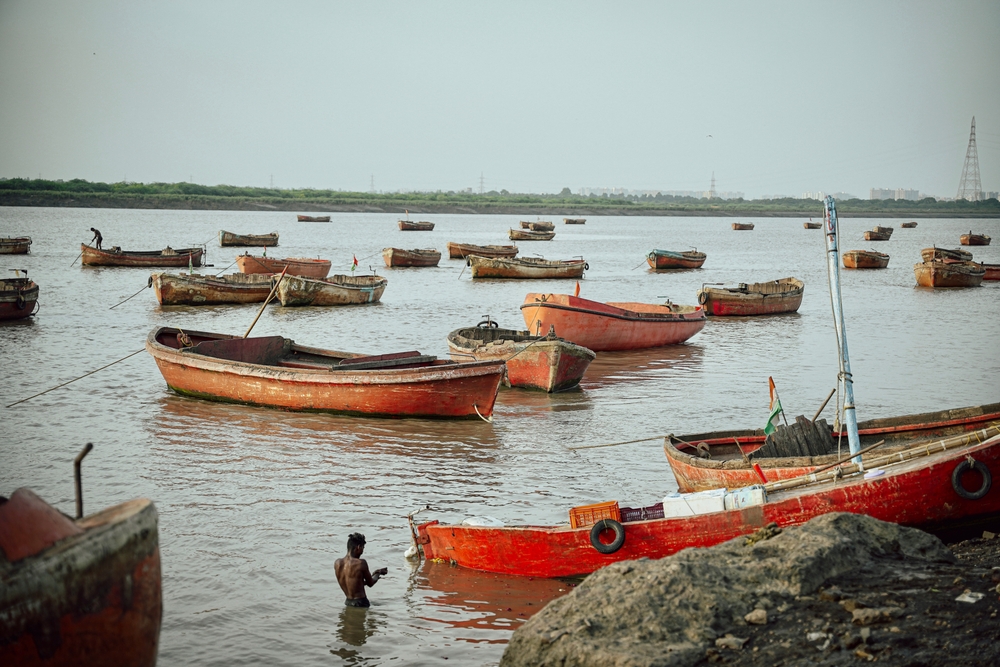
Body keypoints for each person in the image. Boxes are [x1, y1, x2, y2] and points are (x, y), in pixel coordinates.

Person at [334, 533, 387, 608]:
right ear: (358, 547)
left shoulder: (337, 563)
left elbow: (354, 583)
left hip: (348, 602)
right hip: (361, 603)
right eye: (363, 548)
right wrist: (378, 573)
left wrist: (373, 574)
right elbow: (370, 583)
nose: (363, 551)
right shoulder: (361, 563)